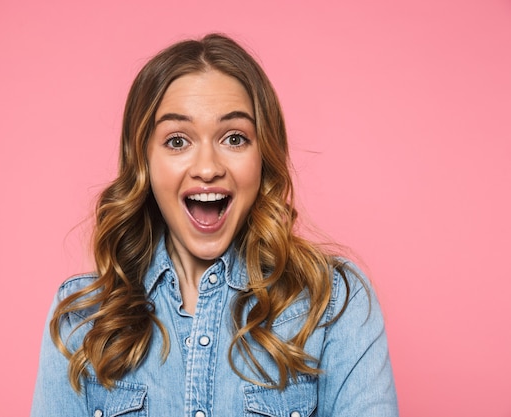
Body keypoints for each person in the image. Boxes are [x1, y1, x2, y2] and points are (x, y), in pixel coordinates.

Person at [31, 33, 398, 417]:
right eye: (176, 141)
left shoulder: (333, 302)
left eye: (234, 138)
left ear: (263, 157)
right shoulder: (82, 319)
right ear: (145, 162)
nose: (207, 168)